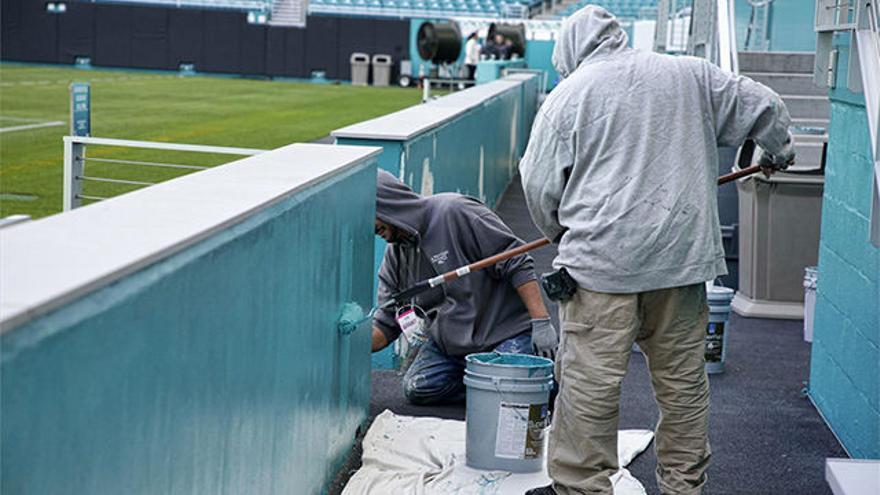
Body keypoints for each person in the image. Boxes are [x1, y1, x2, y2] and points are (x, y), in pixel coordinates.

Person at [519, 6, 794, 495]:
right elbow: (766, 105)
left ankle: (585, 488)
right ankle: (684, 487)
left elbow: (539, 186)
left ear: (569, 51)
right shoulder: (690, 73)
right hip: (681, 268)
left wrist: (563, 235)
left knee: (589, 395)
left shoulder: (567, 96)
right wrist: (777, 150)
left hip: (600, 274)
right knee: (683, 389)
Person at [372, 170, 558, 405]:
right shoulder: (395, 258)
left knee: (524, 386)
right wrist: (340, 343)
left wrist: (541, 322)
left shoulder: (454, 212)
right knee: (419, 388)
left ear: (387, 203)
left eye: (373, 217)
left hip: (503, 332)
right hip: (451, 347)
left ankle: (519, 381)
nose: (373, 230)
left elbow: (516, 260)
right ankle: (490, 384)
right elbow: (386, 324)